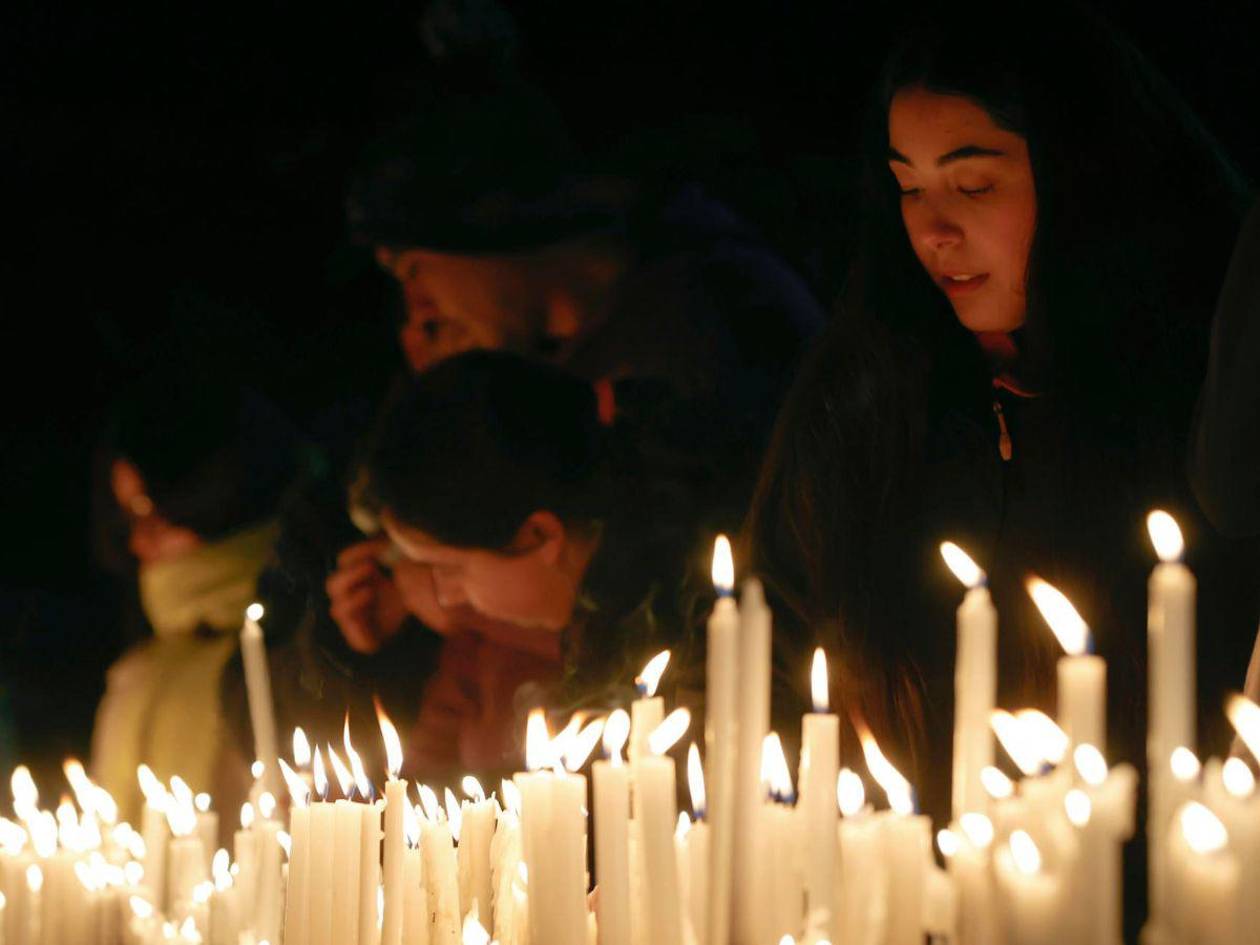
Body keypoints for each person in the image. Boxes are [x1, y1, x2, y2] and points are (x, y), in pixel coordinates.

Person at [744, 3, 1255, 832]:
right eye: (908, 187)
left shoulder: (1202, 394)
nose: (932, 230)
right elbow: (776, 629)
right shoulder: (874, 377)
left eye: (973, 184)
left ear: (1082, 178)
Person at [355, 350, 714, 779]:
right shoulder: (590, 622)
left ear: (540, 536)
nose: (447, 595)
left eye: (451, 568)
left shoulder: (685, 639)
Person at [91, 370, 297, 825]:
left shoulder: (292, 648)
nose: (140, 540)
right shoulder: (142, 670)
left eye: (153, 507)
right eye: (127, 515)